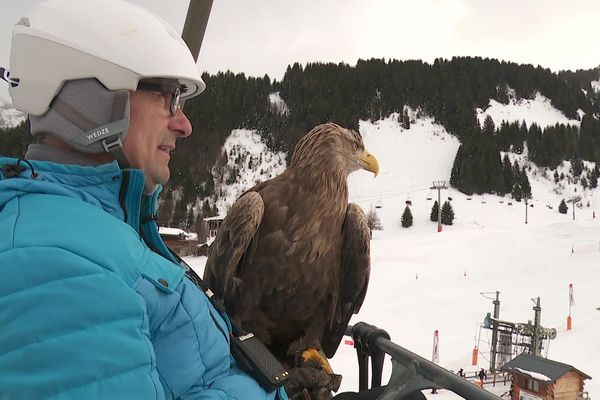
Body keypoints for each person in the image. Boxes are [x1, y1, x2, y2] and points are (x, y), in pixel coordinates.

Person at [0, 1, 425, 399]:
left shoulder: (110, 228)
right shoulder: (54, 265)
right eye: (168, 98)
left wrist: (277, 385)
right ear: (94, 100)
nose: (184, 124)